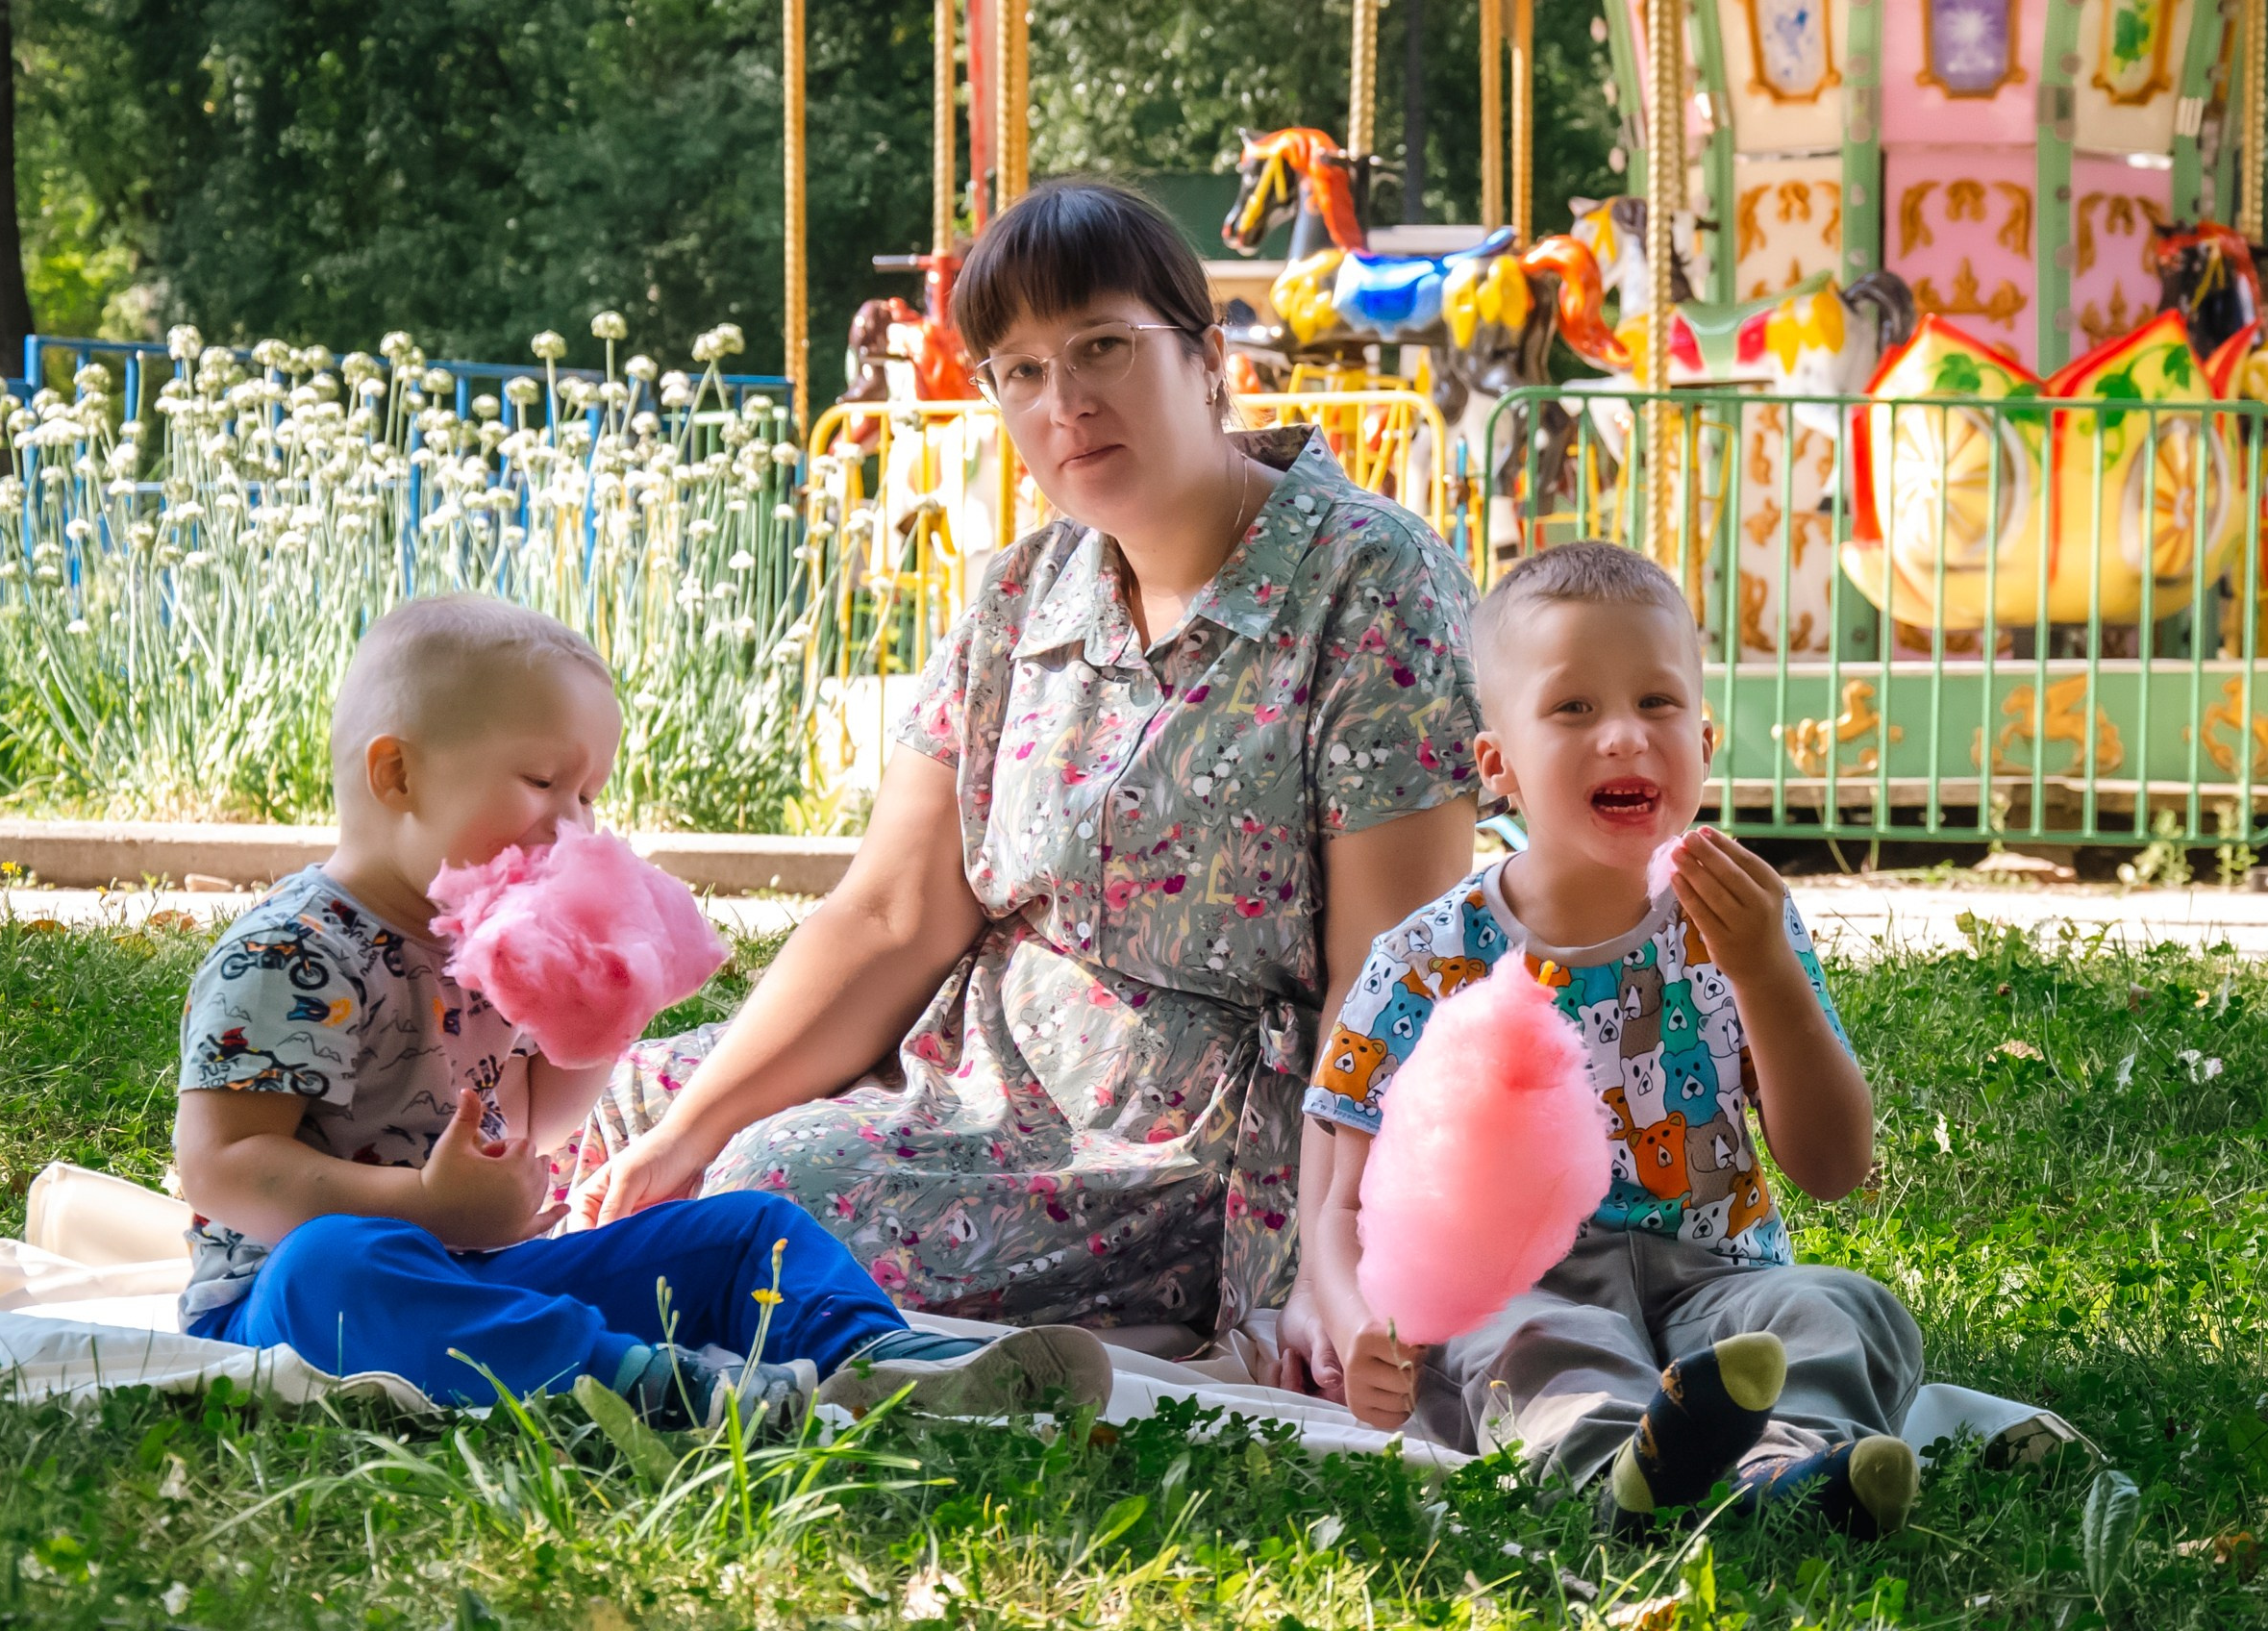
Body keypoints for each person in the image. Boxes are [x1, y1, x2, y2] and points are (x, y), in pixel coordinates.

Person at [567, 179, 1483, 1340]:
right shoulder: (1017, 595)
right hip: (963, 1062)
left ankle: (540, 1318)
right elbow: (891, 916)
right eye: (1022, 371)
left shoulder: (1371, 582)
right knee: (617, 1108)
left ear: (1209, 358)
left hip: (1170, 1144)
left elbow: (1390, 974)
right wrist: (680, 1128)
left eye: (1103, 346)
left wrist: (1333, 1254)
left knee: (772, 1193)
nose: (1066, 403)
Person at [170, 595, 1111, 1424]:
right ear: (398, 776)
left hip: (480, 1276)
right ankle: (643, 1390)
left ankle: (884, 1366)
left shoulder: (489, 941)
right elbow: (218, 1163)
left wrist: (598, 1019)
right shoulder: (291, 954)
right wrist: (421, 1204)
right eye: (543, 783)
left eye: (588, 795)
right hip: (289, 1303)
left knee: (750, 1226)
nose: (575, 824)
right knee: (334, 1260)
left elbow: (540, 1112)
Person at [1289, 542, 1924, 1539]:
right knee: (1536, 1347)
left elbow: (1835, 1166)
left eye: (1657, 703)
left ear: (1705, 741)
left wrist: (1761, 969)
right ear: (1497, 765)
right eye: (1573, 708)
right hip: (1525, 1289)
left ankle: (1786, 1471)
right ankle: (1621, 1483)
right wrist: (1349, 1316)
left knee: (1842, 1307)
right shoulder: (1429, 957)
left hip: (1722, 1286)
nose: (1624, 734)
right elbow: (1337, 1200)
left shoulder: (1745, 922)